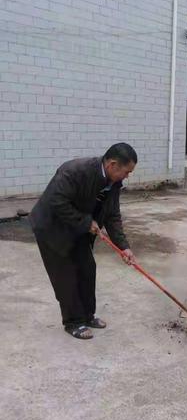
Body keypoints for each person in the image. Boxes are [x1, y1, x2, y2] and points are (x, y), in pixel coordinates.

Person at [30, 143, 138, 340]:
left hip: (77, 227)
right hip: (52, 227)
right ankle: (73, 322)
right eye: (127, 171)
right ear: (113, 165)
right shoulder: (75, 171)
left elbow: (113, 215)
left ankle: (87, 315)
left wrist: (124, 247)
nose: (128, 176)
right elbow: (57, 201)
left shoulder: (113, 183)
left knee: (87, 267)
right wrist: (86, 221)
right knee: (66, 275)